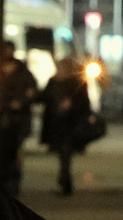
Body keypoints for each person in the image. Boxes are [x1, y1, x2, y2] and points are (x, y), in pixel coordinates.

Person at [0, 39, 40, 193]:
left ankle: (14, 181)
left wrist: (21, 102)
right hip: (0, 119)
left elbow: (33, 91)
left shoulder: (23, 71)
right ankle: (2, 180)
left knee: (15, 151)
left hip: (18, 119)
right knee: (1, 150)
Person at [40, 57, 93, 195]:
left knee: (66, 152)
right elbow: (45, 97)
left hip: (70, 124)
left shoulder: (77, 83)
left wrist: (72, 105)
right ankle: (64, 180)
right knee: (62, 153)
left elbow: (84, 103)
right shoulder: (53, 82)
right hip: (56, 124)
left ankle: (65, 181)